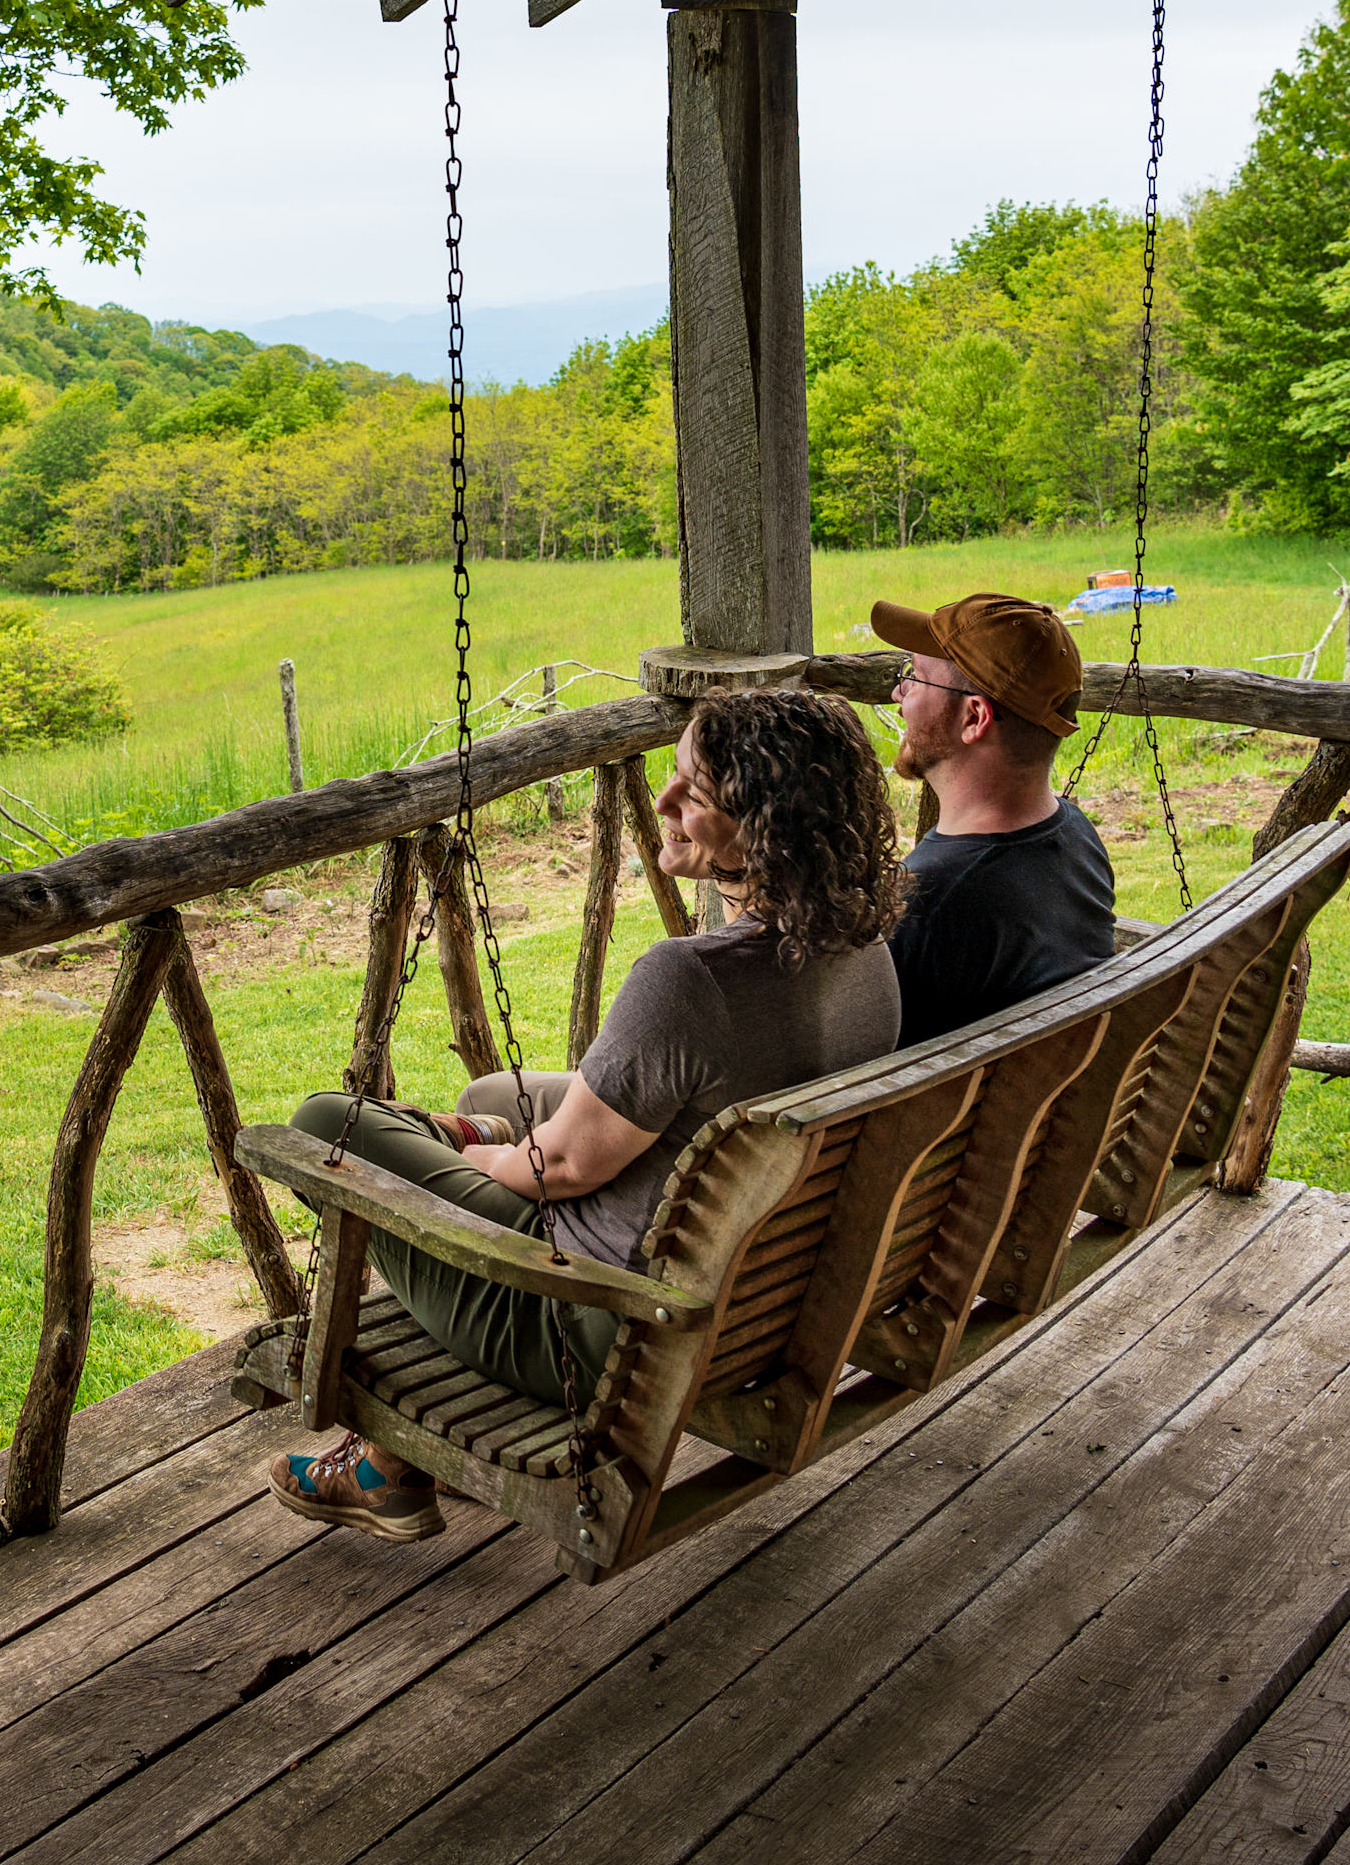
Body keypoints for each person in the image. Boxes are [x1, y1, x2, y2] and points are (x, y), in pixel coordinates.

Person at [266, 688, 905, 1540]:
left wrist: (464, 1158)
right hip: (764, 1299)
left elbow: (558, 1170)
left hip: (595, 1325)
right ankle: (391, 1462)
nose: (663, 799)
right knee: (494, 1096)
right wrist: (498, 1134)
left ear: (765, 830)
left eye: (694, 792)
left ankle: (385, 1457)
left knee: (323, 1128)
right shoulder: (867, 954)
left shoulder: (689, 980)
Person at [869, 592, 1120, 1048]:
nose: (897, 694)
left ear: (974, 717)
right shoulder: (1076, 836)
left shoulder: (927, 904)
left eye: (915, 680)